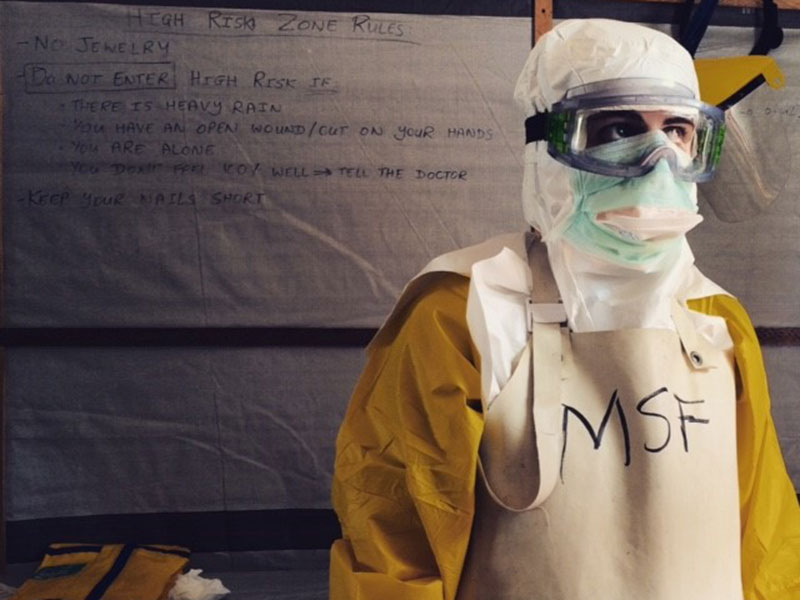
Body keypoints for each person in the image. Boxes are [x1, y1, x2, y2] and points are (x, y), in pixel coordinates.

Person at [329, 18, 800, 600]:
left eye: (677, 129)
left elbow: (767, 540)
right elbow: (396, 545)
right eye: (619, 128)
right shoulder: (463, 310)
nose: (659, 160)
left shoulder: (716, 318)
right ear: (546, 149)